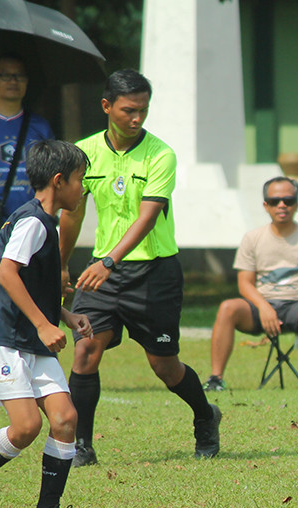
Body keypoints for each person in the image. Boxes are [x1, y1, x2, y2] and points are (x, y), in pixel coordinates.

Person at [58, 69, 221, 467]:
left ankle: (205, 417)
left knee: (163, 366)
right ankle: (83, 445)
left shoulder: (161, 154)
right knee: (85, 352)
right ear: (106, 107)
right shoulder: (84, 153)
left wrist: (109, 260)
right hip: (103, 274)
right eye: (128, 110)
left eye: (143, 110)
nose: (137, 118)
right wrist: (61, 265)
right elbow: (73, 214)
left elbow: (148, 216)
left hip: (154, 272)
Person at [0, 139, 99, 508]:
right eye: (79, 180)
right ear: (58, 180)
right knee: (27, 426)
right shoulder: (33, 220)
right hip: (4, 333)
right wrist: (43, 324)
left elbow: (29, 282)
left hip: (29, 330)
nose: (82, 189)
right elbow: (7, 274)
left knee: (65, 417)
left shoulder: (42, 221)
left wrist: (63, 314)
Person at [203, 176, 298, 391]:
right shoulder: (252, 238)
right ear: (266, 206)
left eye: (288, 200)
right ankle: (215, 379)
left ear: (297, 204)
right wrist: (264, 307)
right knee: (228, 307)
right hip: (261, 306)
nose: (282, 205)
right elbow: (244, 283)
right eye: (275, 201)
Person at [0, 56, 55, 223]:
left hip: (29, 220)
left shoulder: (41, 127)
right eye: (5, 75)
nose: (13, 81)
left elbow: (53, 178)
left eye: (19, 76)